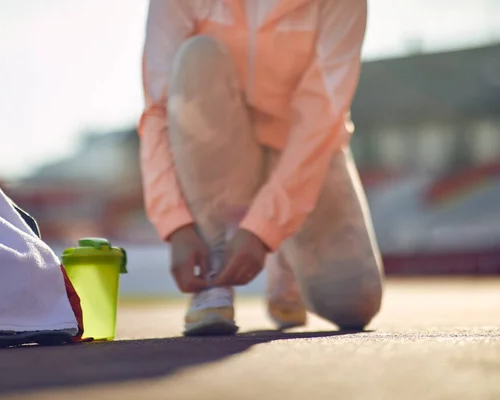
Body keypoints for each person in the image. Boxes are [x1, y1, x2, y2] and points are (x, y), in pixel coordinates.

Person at [139, 0, 384, 336]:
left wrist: (264, 228)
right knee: (198, 55)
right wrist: (176, 223)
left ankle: (285, 261)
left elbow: (322, 112)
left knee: (354, 303)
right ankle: (215, 268)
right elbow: (158, 109)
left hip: (302, 145)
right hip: (223, 152)